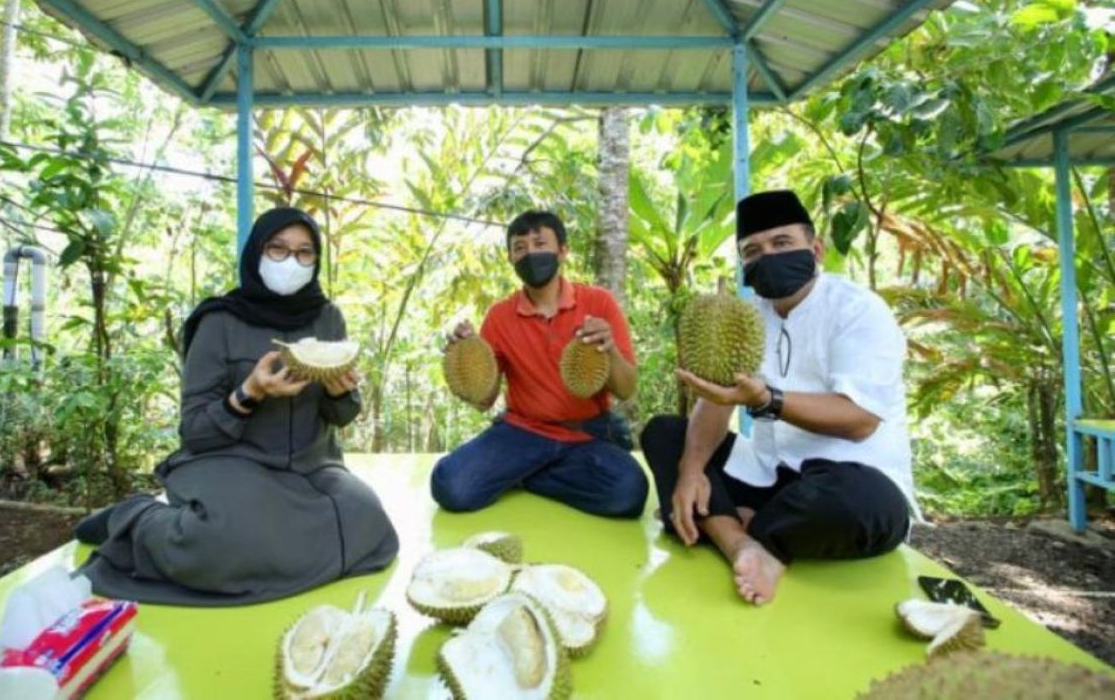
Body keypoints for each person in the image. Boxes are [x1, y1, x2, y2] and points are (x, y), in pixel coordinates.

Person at [77, 207, 398, 606]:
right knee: (223, 541)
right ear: (256, 253)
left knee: (368, 523)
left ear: (316, 261)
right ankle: (134, 517)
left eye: (304, 253)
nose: (291, 261)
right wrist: (248, 393)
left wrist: (338, 392)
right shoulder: (219, 321)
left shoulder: (328, 318)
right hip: (233, 460)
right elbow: (193, 430)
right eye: (277, 249)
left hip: (312, 464)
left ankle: (273, 544)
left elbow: (342, 415)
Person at [642, 190, 915, 606]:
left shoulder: (858, 310)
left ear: (816, 248)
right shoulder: (748, 315)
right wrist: (692, 469)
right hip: (770, 474)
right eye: (752, 251)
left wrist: (769, 400)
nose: (766, 256)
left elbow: (860, 420)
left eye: (781, 244)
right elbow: (717, 401)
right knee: (665, 434)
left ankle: (728, 524)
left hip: (852, 477)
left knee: (855, 502)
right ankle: (745, 542)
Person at [430, 210, 649, 518]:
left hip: (584, 436)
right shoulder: (500, 316)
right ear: (510, 259)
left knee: (629, 492)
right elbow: (485, 400)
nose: (530, 253)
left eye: (540, 243)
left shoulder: (598, 303)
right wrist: (466, 357)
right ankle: (529, 468)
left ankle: (522, 475)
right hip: (521, 432)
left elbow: (626, 389)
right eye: (520, 248)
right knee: (450, 486)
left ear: (562, 251)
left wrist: (609, 348)